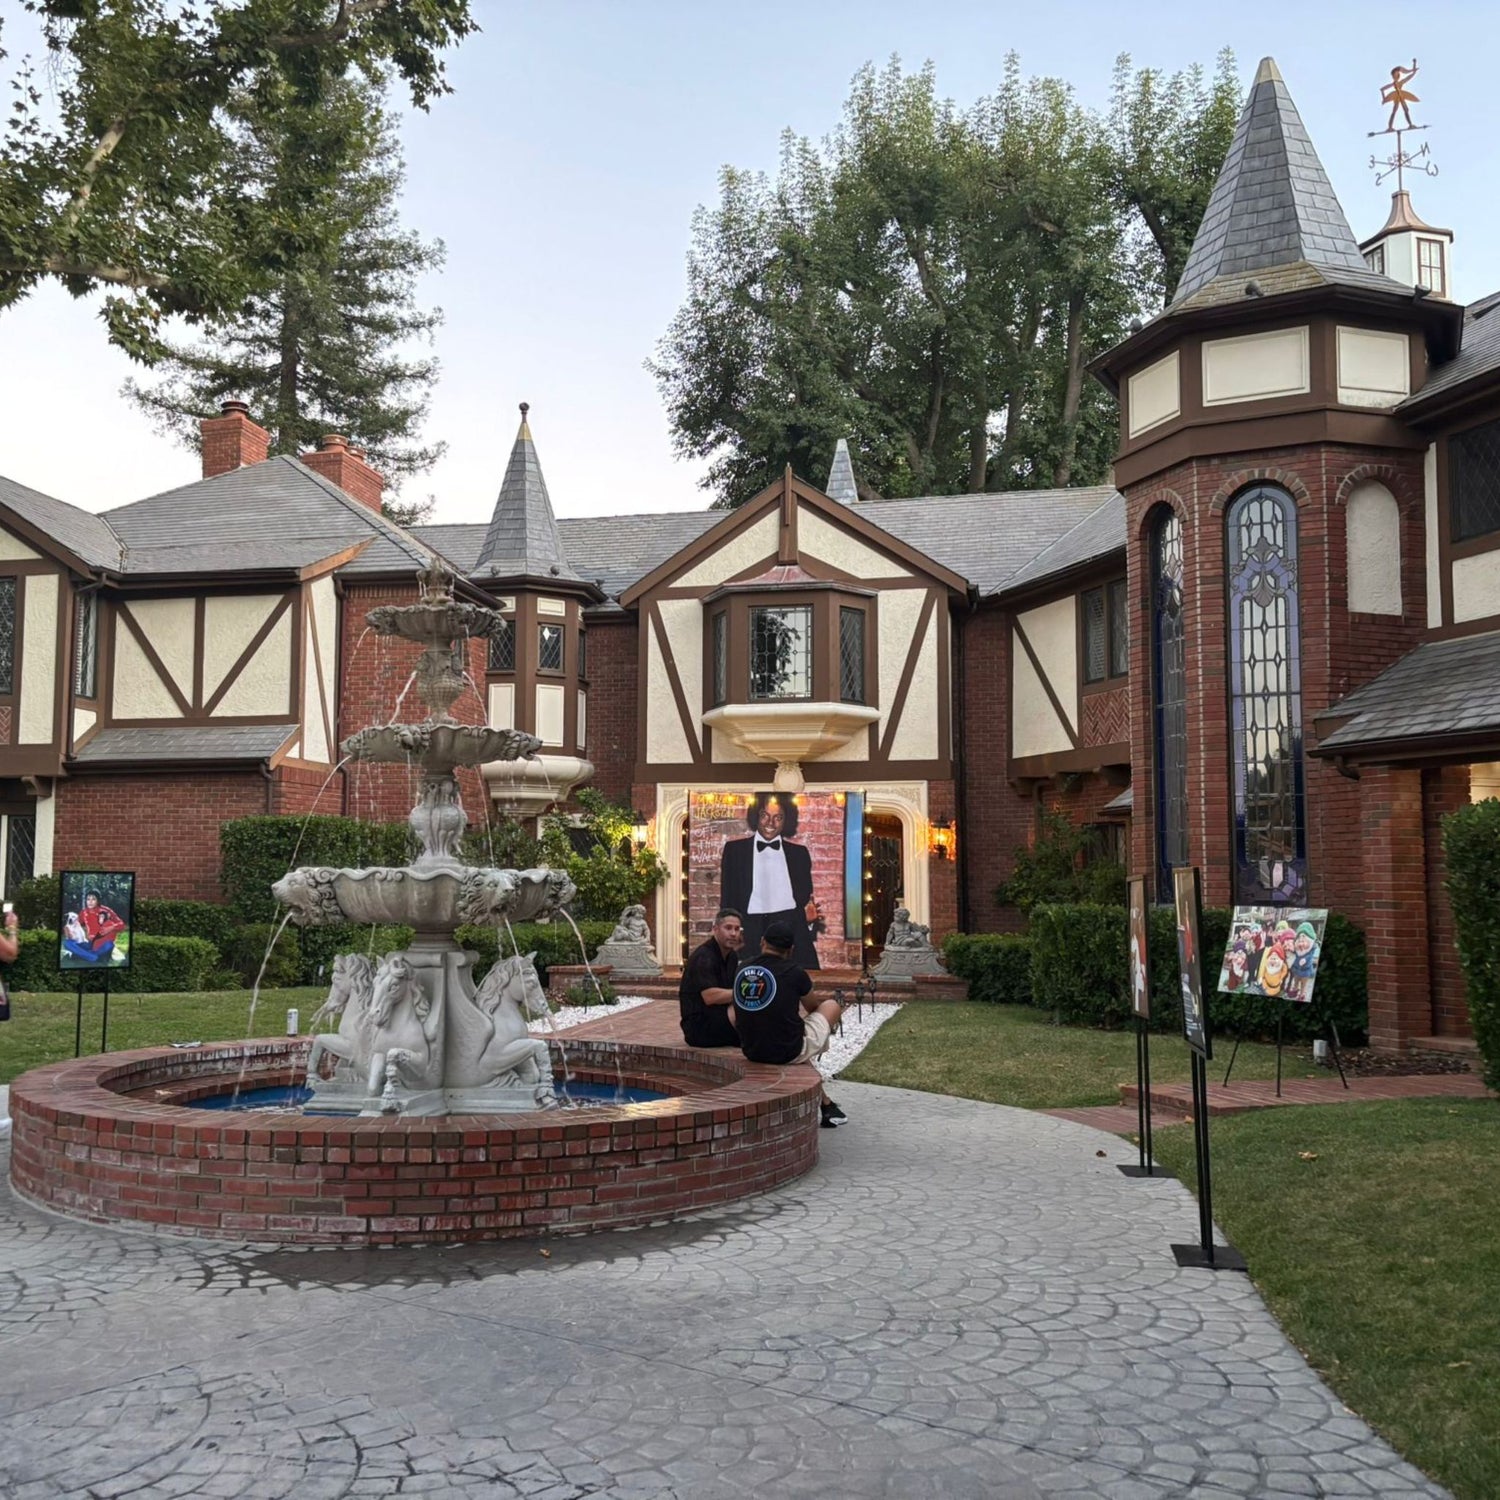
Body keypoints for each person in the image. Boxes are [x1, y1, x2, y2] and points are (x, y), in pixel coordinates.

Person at [731, 920, 848, 1128]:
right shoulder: (796, 973)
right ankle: (827, 1104)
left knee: (748, 1015)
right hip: (787, 1050)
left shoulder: (743, 968)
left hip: (751, 1048)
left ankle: (827, 1104)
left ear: (762, 942)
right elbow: (813, 1008)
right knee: (831, 1005)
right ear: (791, 950)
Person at [719, 792, 821, 969]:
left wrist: (809, 922)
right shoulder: (735, 850)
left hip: (791, 927)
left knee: (805, 978)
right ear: (756, 816)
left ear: (785, 821)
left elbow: (805, 901)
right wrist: (733, 931)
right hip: (750, 929)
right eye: (765, 815)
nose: (770, 823)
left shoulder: (799, 854)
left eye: (778, 817)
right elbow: (728, 897)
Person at [677, 907, 744, 1049]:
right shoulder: (704, 957)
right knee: (747, 1007)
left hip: (719, 1016)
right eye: (728, 928)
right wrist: (748, 993)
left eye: (737, 929)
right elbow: (710, 997)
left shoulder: (732, 956)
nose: (733, 933)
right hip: (699, 1027)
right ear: (716, 929)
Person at [61, 888, 126, 964]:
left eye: (93, 899)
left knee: (109, 944)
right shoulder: (84, 912)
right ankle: (92, 957)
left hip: (104, 944)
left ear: (98, 901)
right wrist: (67, 929)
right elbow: (74, 924)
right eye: (88, 899)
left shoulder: (106, 910)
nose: (90, 902)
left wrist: (111, 927)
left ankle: (86, 955)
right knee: (67, 943)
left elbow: (122, 925)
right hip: (91, 944)